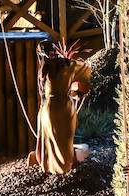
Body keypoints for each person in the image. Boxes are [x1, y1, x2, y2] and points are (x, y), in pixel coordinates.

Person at [27, 41, 92, 174]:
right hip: (62, 107)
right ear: (56, 50)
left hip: (46, 110)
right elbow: (88, 73)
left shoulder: (43, 70)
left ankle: (48, 166)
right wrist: (78, 92)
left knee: (49, 141)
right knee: (64, 140)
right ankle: (63, 168)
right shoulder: (68, 65)